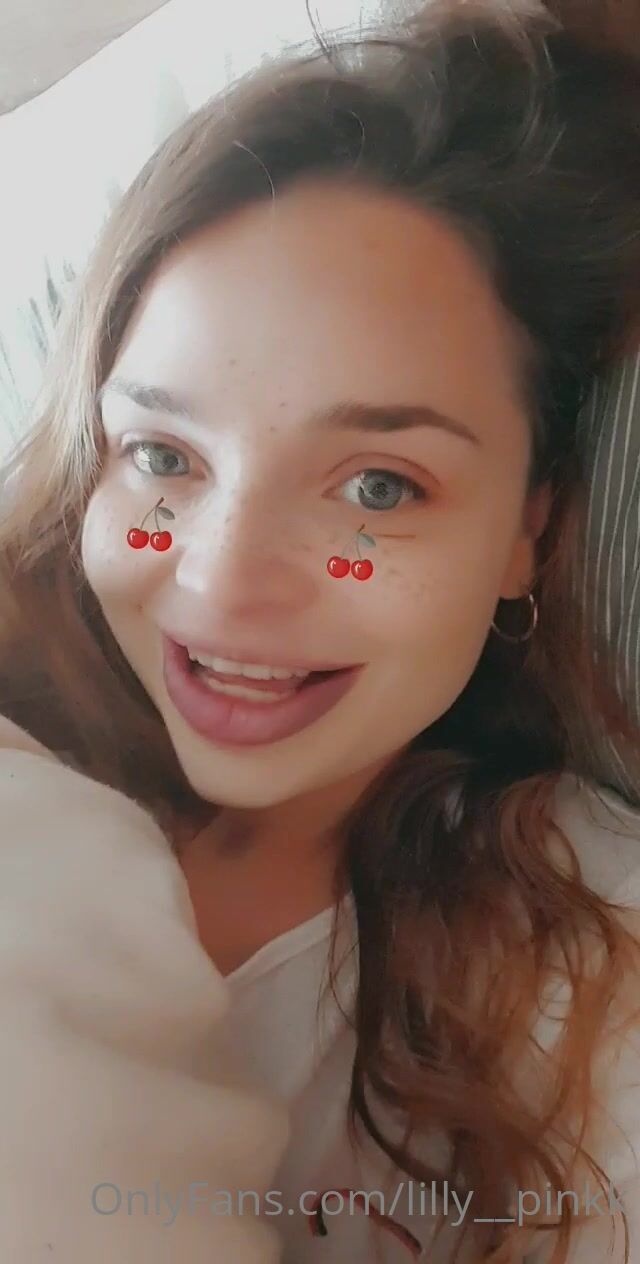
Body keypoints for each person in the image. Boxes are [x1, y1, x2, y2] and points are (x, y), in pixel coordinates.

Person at [0, 0, 639, 1260]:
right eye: (163, 455)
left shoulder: (595, 980)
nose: (223, 589)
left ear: (530, 528)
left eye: (378, 486)